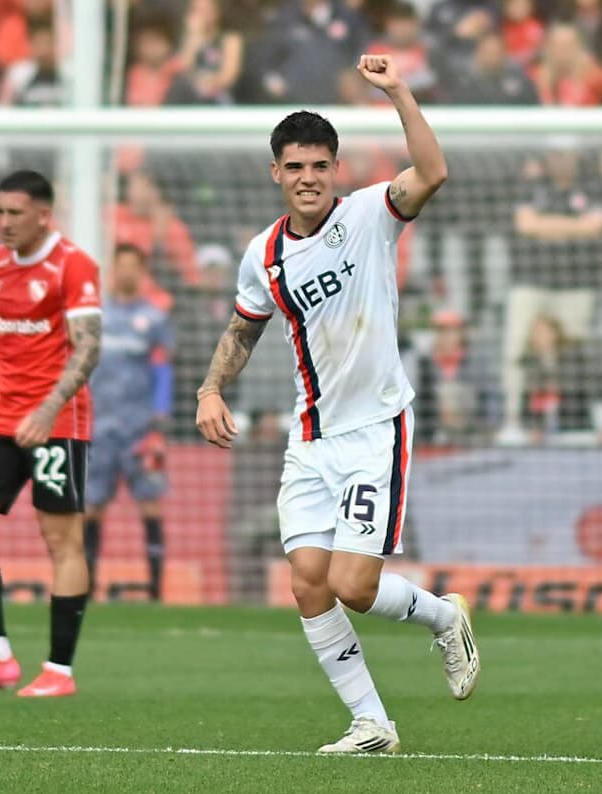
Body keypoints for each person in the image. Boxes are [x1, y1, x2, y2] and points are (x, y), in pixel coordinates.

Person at [195, 55, 479, 754]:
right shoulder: (263, 254)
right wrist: (210, 389)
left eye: (320, 165)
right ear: (277, 174)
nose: (309, 178)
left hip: (375, 428)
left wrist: (400, 92)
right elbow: (242, 328)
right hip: (311, 437)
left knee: (354, 584)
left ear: (336, 169)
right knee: (306, 582)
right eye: (295, 167)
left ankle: (446, 618)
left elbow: (433, 173)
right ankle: (372, 722)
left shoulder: (370, 215)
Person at [0, 170, 102, 699]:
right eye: (0, 213)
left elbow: (88, 347)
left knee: (60, 539)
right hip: (3, 419)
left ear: (42, 215)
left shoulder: (73, 265)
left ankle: (59, 670)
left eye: (14, 213)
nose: (4, 223)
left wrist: (48, 407)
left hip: (58, 419)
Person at [84, 243, 174, 601]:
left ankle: (155, 591)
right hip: (99, 428)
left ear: (142, 271)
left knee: (150, 505)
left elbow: (163, 369)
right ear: (112, 268)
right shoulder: (95, 316)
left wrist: (159, 418)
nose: (127, 273)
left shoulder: (154, 318)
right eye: (122, 265)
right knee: (91, 508)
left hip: (139, 431)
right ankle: (86, 588)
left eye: (134, 266)